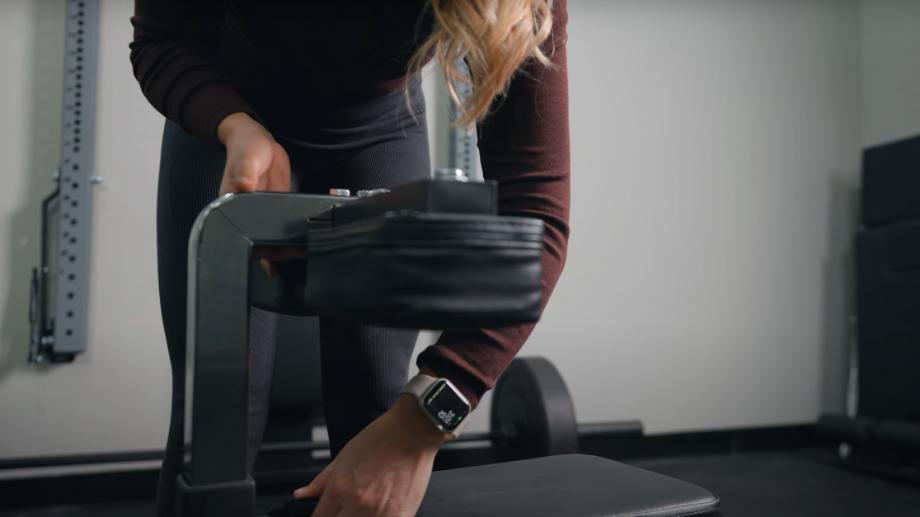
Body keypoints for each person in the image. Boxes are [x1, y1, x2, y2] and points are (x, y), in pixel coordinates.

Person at [130, 1, 570, 515]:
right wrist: (235, 126)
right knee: (218, 413)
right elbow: (163, 39)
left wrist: (422, 423)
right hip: (231, 113)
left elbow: (536, 216)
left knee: (378, 400)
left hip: (381, 126)